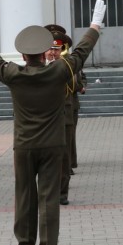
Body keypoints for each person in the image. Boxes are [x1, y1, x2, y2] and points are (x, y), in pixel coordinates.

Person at [0, 0, 105, 245]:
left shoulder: (14, 74)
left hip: (24, 146)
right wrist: (95, 25)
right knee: (49, 199)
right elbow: (82, 51)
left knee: (25, 196)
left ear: (23, 55)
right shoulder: (60, 70)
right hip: (53, 144)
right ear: (46, 52)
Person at [44, 29, 75, 205]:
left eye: (56, 49)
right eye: (50, 49)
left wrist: (61, 66)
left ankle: (62, 193)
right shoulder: (38, 66)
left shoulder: (67, 66)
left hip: (64, 117)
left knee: (64, 158)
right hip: (44, 120)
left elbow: (73, 85)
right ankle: (47, 191)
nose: (53, 53)